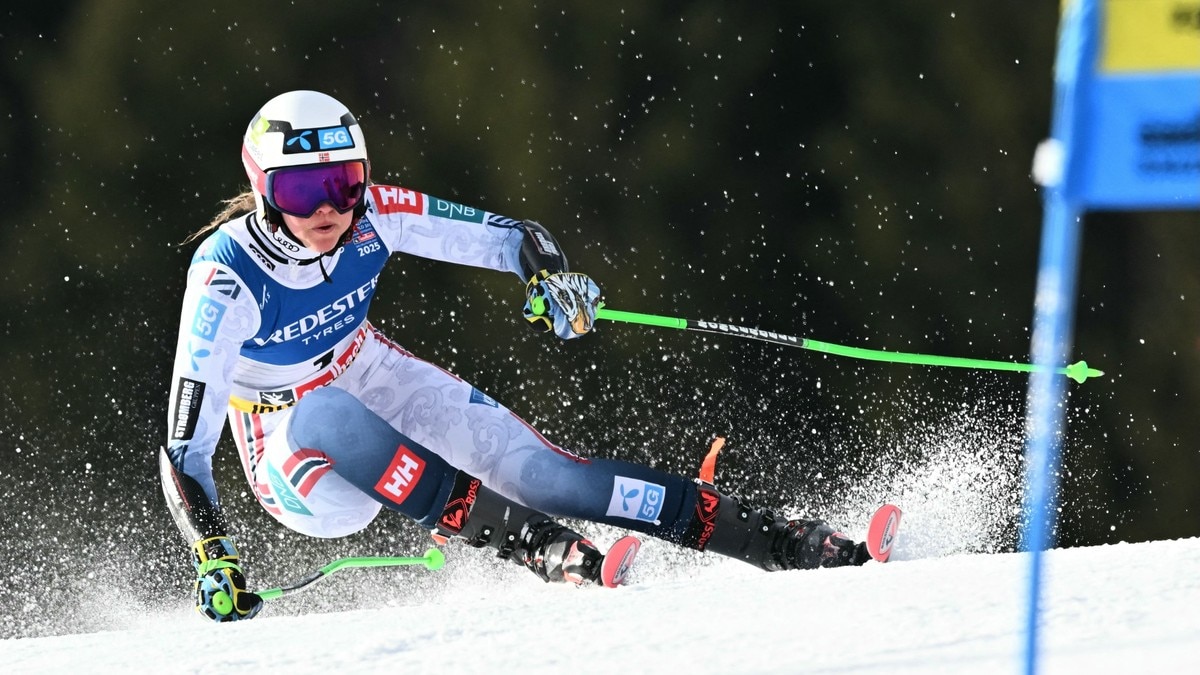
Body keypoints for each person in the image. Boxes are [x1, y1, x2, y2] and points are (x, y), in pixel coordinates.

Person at [162, 90, 875, 623]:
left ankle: (778, 538)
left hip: (366, 368)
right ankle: (532, 544)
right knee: (328, 412)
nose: (329, 209)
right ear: (264, 192)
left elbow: (510, 235)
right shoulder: (227, 275)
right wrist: (213, 552)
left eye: (344, 183)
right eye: (301, 189)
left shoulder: (375, 211)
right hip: (290, 445)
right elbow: (182, 445)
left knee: (544, 473)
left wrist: (548, 274)